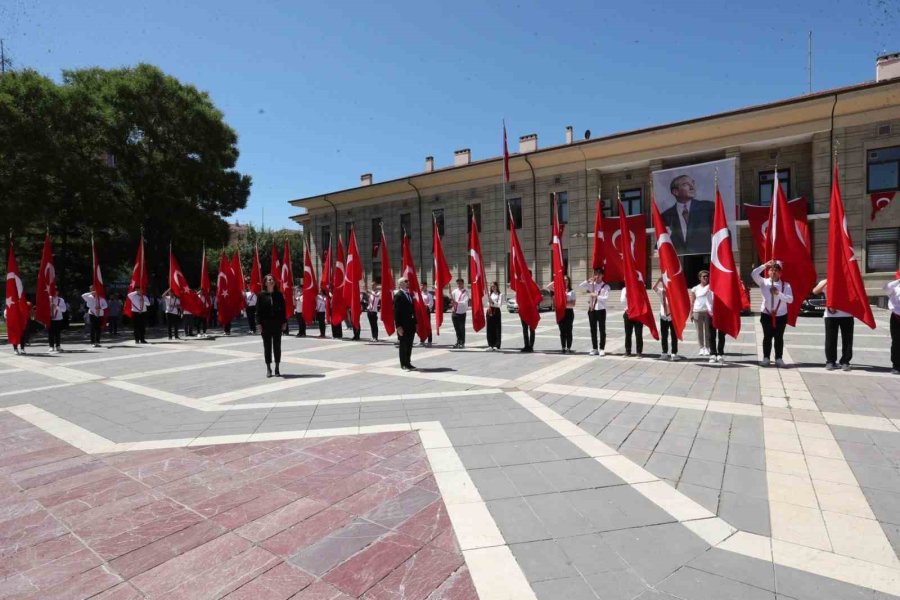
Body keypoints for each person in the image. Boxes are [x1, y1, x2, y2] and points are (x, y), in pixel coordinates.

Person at [752, 260, 794, 367]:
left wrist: (778, 293)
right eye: (771, 269)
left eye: (776, 270)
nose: (773, 272)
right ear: (768, 272)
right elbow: (754, 274)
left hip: (781, 315)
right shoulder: (764, 282)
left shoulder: (786, 285)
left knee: (779, 337)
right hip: (766, 314)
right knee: (767, 337)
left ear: (780, 273)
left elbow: (790, 300)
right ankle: (766, 357)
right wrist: (764, 265)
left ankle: (779, 358)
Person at [660, 174, 714, 255]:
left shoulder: (708, 207)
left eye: (692, 183)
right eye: (685, 184)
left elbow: (722, 232)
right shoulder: (665, 216)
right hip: (678, 261)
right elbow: (662, 240)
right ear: (675, 192)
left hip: (704, 260)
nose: (692, 187)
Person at [813, 279, 854, 371]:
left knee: (847, 340)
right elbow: (815, 291)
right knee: (830, 339)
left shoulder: (848, 280)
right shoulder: (825, 281)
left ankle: (845, 361)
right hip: (830, 314)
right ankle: (831, 361)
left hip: (847, 314)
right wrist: (828, 281)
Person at [257, 274, 286, 377]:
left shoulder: (279, 295)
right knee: (267, 347)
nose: (271, 281)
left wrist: (284, 322)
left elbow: (283, 310)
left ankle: (277, 368)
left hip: (277, 324)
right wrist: (259, 324)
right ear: (265, 283)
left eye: (272, 279)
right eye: (269, 280)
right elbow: (258, 312)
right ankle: (268, 368)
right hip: (266, 325)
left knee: (277, 346)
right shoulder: (261, 295)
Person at [580, 268, 610, 356]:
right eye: (596, 274)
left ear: (602, 275)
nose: (597, 276)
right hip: (591, 309)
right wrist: (588, 280)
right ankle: (594, 348)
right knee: (593, 330)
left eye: (599, 274)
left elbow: (605, 299)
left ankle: (602, 348)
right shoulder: (591, 284)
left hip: (601, 310)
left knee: (602, 330)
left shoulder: (606, 286)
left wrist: (596, 295)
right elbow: (581, 286)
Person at [546, 276, 576, 353]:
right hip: (560, 312)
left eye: (566, 280)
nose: (565, 281)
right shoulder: (558, 290)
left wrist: (563, 302)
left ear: (569, 281)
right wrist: (557, 280)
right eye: (563, 280)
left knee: (569, 330)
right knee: (562, 331)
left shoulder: (572, 292)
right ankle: (563, 347)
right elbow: (548, 286)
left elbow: (572, 304)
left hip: (569, 312)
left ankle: (568, 348)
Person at [393, 277, 417, 370]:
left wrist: (416, 322)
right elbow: (396, 312)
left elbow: (413, 310)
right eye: (406, 281)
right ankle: (403, 363)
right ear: (400, 284)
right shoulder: (398, 295)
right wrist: (398, 326)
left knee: (410, 344)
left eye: (408, 281)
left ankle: (408, 362)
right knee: (403, 345)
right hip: (403, 325)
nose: (408, 283)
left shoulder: (409, 294)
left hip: (411, 324)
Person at [653, 277, 679, 360]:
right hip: (663, 316)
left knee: (674, 336)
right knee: (664, 335)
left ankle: (674, 353)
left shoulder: (674, 292)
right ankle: (664, 352)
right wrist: (658, 280)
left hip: (673, 317)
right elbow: (654, 288)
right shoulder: (662, 292)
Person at [690, 271, 712, 356]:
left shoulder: (711, 287)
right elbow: (692, 301)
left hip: (707, 311)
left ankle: (707, 347)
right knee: (699, 331)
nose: (706, 278)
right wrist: (691, 313)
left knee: (707, 331)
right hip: (697, 311)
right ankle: (701, 348)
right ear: (700, 278)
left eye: (707, 276)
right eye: (704, 276)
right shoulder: (695, 288)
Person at [883, 271, 899, 375]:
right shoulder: (894, 286)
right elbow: (886, 289)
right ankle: (896, 365)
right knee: (897, 342)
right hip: (897, 317)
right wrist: (897, 281)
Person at [621, 286, 643, 358]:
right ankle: (628, 351)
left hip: (638, 313)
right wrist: (626, 295)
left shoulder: (639, 286)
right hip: (628, 313)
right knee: (628, 333)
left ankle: (639, 352)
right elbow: (622, 301)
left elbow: (642, 299)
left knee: (638, 333)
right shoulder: (624, 289)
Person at [450, 279, 469, 349]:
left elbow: (465, 302)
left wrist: (457, 303)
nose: (459, 285)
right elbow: (451, 299)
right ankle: (458, 341)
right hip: (454, 312)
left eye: (460, 283)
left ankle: (462, 342)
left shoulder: (466, 291)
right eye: (458, 283)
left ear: (463, 283)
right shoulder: (454, 291)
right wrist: (452, 302)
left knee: (461, 328)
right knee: (456, 328)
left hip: (462, 312)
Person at [486, 282, 503, 351]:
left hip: (496, 311)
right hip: (490, 311)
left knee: (497, 328)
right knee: (489, 328)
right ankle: (490, 344)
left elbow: (499, 305)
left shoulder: (500, 294)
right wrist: (489, 304)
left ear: (497, 286)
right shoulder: (490, 294)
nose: (493, 288)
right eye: (492, 286)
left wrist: (492, 302)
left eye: (494, 286)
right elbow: (486, 302)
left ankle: (497, 345)